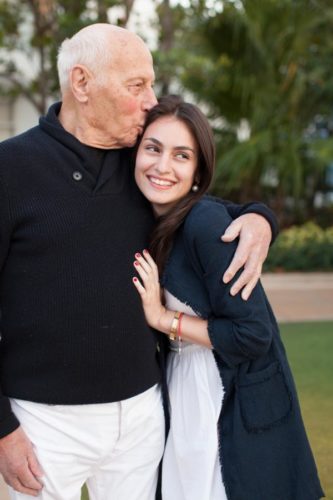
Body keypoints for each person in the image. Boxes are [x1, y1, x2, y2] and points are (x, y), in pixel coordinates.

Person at [0, 24, 277, 500]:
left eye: (150, 83)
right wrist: (3, 429)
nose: (152, 100)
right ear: (82, 84)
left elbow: (207, 205)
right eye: (137, 86)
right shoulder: (9, 170)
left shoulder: (145, 168)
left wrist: (259, 218)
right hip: (39, 423)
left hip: (143, 416)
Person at [132, 95, 324, 500]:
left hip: (225, 395)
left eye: (181, 156)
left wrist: (162, 318)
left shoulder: (203, 221)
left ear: (198, 173)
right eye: (153, 148)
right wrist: (259, 214)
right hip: (183, 387)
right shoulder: (154, 219)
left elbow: (253, 334)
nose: (162, 166)